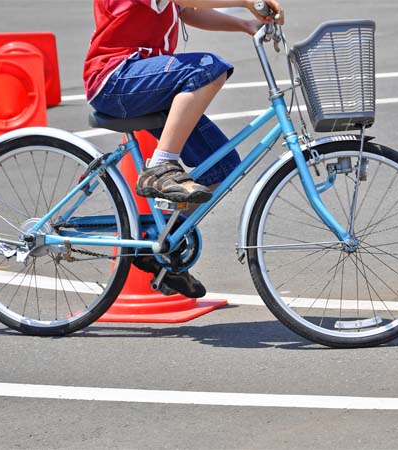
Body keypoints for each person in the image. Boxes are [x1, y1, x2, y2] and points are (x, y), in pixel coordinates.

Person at [83, 0, 284, 297]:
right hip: (115, 78)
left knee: (223, 166)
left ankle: (161, 246)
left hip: (145, 83)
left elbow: (187, 11)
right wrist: (246, 2)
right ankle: (160, 167)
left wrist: (244, 24)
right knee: (206, 68)